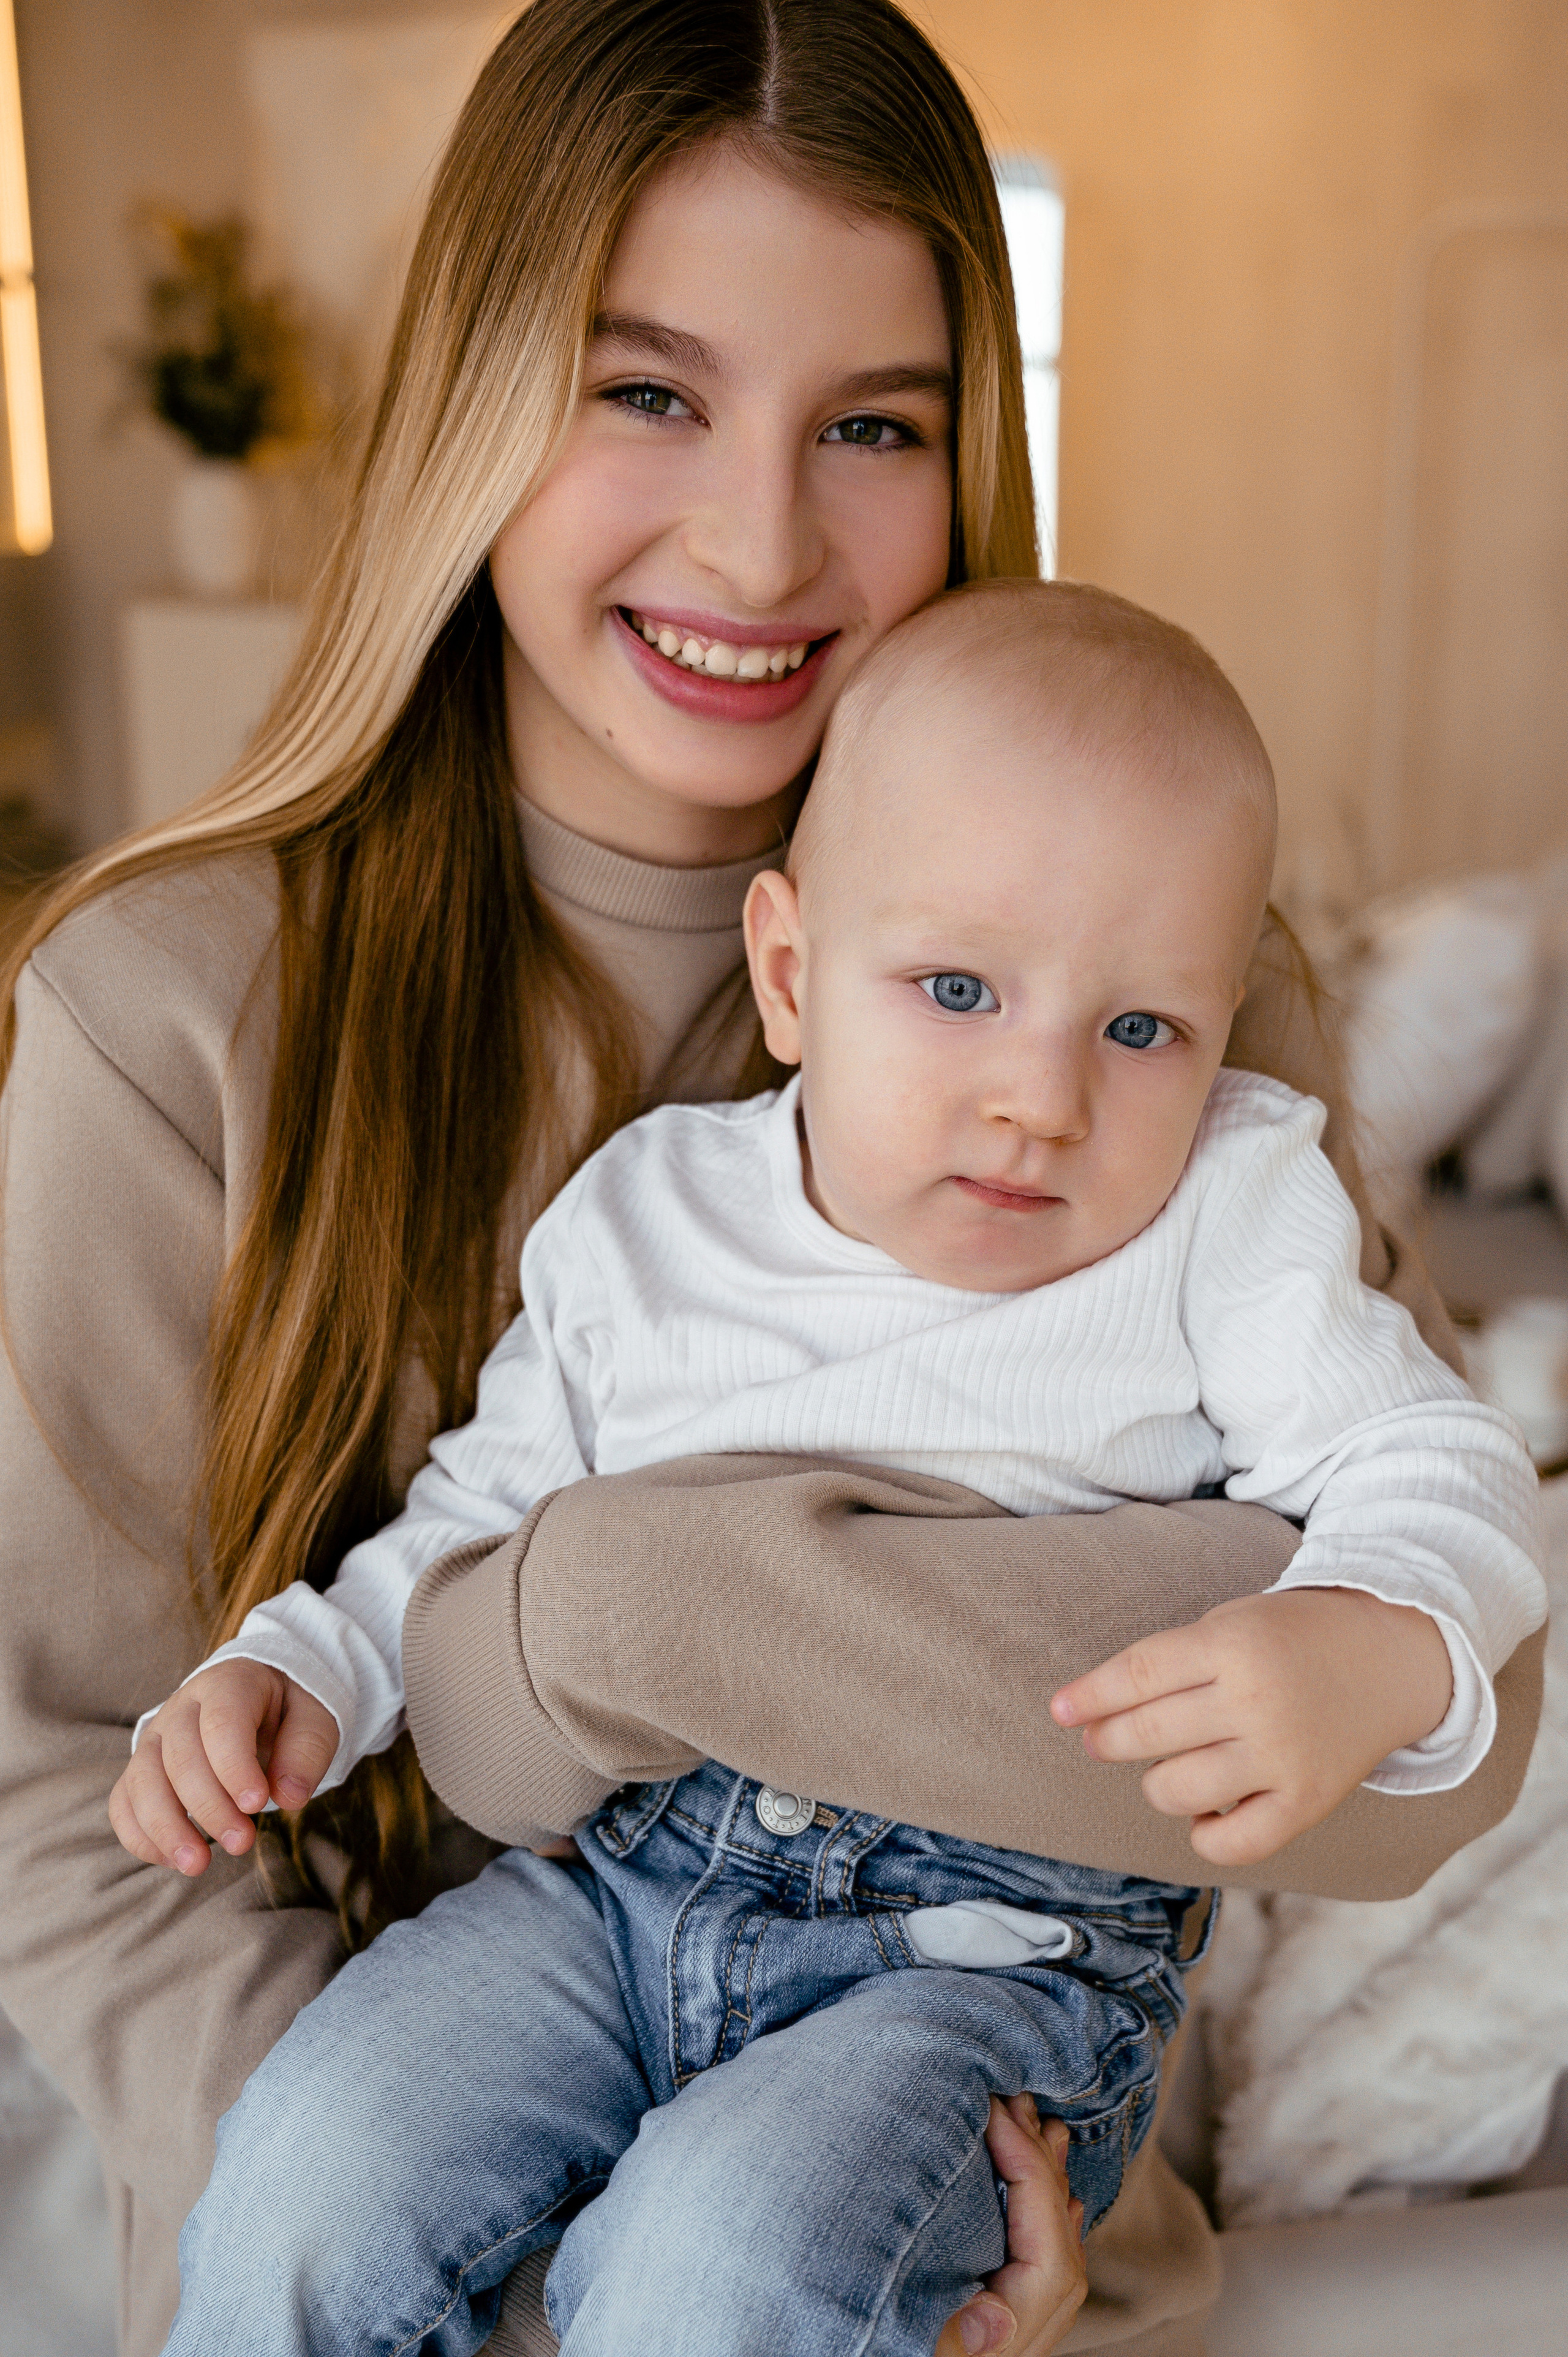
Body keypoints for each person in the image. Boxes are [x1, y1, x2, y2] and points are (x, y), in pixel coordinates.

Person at [0, 6, 1540, 2355]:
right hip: (363, 2199)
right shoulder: (165, 1015)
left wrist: (630, 1611)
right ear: (471, 398)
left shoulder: (1180, 1023)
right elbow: (72, 1806)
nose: (759, 534)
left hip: (951, 2229)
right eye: (648, 391)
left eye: (876, 427)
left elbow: (1418, 1744)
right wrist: (523, 2305)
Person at [126, 581, 1545, 2356]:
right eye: (959, 988)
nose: (1041, 1096)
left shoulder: (1228, 1213)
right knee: (311, 2167)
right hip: (619, 1889)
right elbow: (481, 1523)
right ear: (789, 974)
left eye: (1140, 1030)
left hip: (990, 1967)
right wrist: (304, 1669)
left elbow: (1438, 1460)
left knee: (721, 2263)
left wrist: (1376, 1635)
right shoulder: (649, 1214)